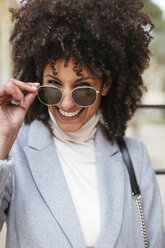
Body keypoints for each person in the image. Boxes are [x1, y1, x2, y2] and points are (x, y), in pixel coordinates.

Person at [0, 0, 164, 247]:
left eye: (83, 89)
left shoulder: (136, 158)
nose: (66, 104)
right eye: (53, 86)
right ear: (38, 81)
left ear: (105, 84)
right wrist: (2, 139)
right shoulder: (14, 154)